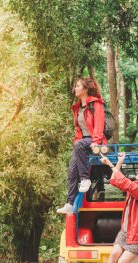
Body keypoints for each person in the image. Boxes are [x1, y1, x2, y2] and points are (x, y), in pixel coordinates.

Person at [57, 77, 106, 214]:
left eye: (78, 86)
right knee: (72, 169)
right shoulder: (77, 107)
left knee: (79, 146)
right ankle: (70, 203)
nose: (75, 89)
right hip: (81, 141)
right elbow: (78, 129)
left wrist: (95, 141)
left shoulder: (96, 104)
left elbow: (99, 124)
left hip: (95, 140)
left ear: (85, 89)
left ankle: (85, 179)